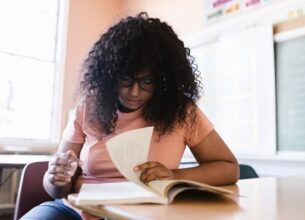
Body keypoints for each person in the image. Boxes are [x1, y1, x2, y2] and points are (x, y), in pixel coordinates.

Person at [21, 12, 239, 220]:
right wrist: (56, 178)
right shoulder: (88, 107)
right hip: (77, 210)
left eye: (147, 81)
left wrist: (175, 176)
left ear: (163, 79)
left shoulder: (182, 111)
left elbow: (229, 168)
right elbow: (58, 190)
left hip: (148, 213)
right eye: (126, 79)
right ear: (110, 74)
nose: (134, 92)